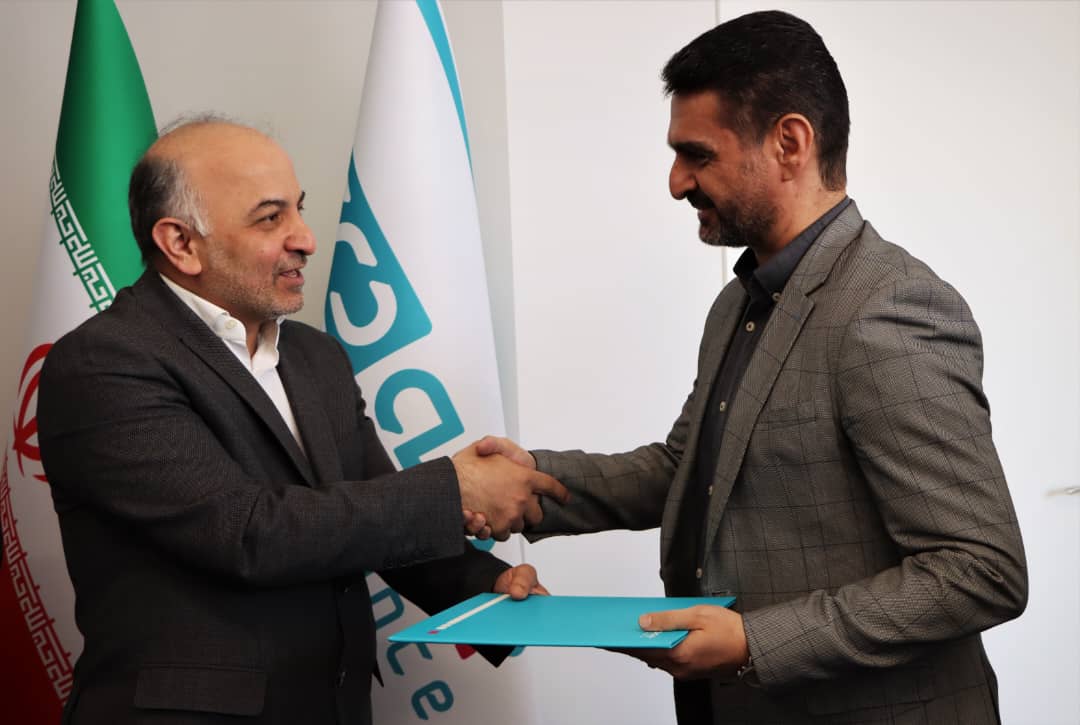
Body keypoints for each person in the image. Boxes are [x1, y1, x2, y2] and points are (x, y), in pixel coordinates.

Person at [478, 10, 1027, 724]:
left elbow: (981, 569)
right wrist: (533, 483)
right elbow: (690, 468)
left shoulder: (890, 307)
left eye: (697, 154)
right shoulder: (738, 302)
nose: (676, 182)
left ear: (790, 143)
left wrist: (753, 643)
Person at [37, 117, 567, 725]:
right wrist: (456, 488)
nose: (307, 239)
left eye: (299, 209)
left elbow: (374, 509)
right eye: (271, 218)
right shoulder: (104, 362)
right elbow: (246, 533)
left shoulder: (317, 356)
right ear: (180, 243)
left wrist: (484, 587)